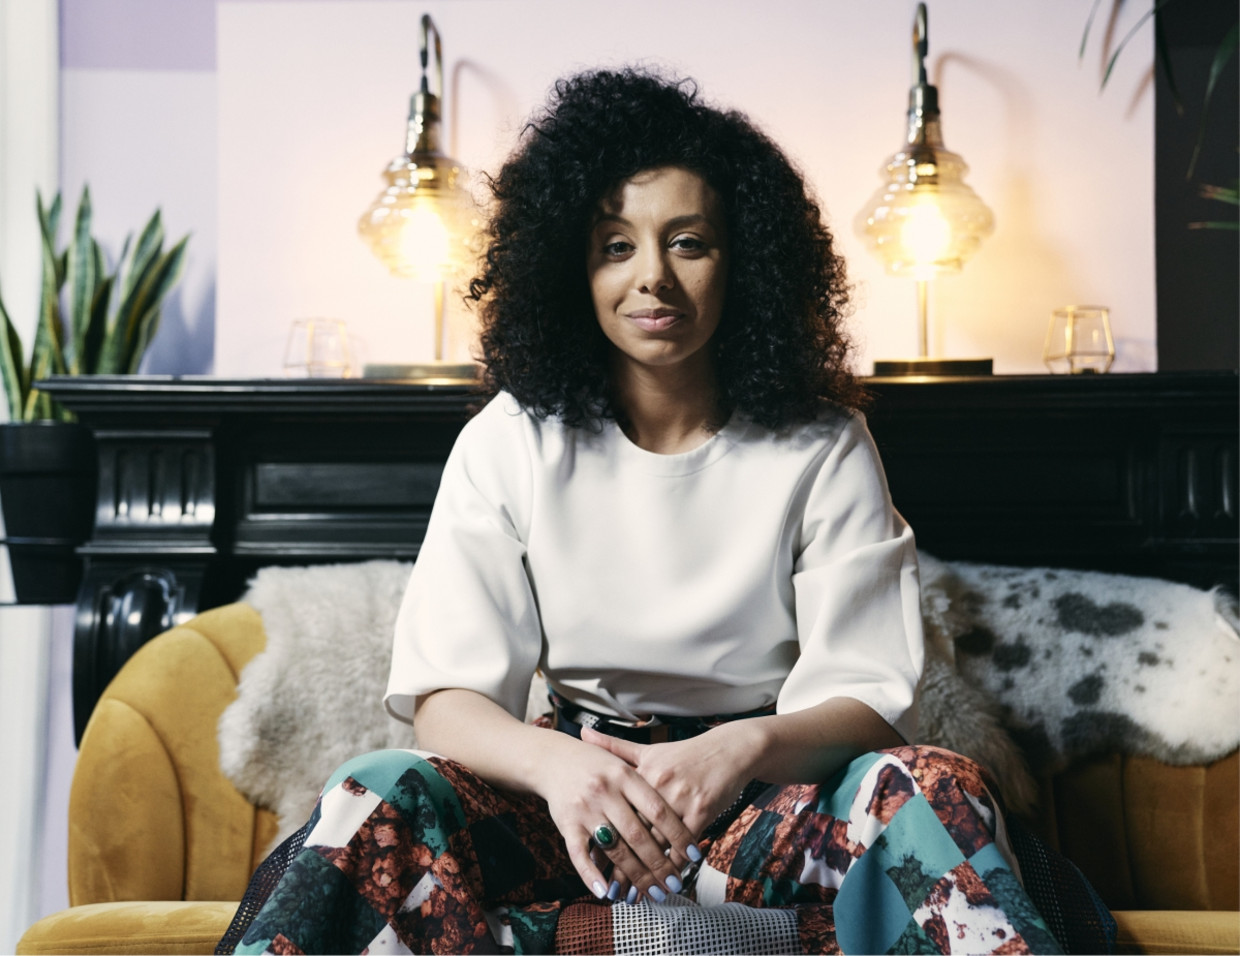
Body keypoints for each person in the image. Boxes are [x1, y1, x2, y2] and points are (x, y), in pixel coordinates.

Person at [228, 68, 1060, 955]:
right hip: (568, 815)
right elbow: (447, 703)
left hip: (766, 810)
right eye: (615, 245)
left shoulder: (823, 443)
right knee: (376, 790)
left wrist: (733, 753)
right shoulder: (509, 439)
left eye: (689, 243)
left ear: (744, 261)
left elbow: (869, 698)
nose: (652, 277)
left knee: (931, 784)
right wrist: (563, 770)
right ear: (570, 267)